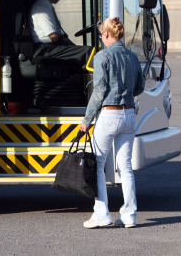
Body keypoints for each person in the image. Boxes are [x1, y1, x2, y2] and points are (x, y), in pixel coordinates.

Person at [79, 17, 145, 229]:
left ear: (107, 34)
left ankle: (102, 214)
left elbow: (99, 91)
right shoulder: (132, 57)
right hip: (128, 114)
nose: (101, 37)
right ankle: (129, 216)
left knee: (98, 165)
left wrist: (87, 120)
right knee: (125, 166)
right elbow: (140, 87)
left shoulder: (102, 56)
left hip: (109, 114)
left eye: (101, 34)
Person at [29, 0, 93, 68]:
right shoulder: (42, 8)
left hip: (54, 48)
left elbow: (59, 35)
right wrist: (66, 41)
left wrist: (75, 47)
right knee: (89, 51)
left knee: (86, 51)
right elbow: (54, 37)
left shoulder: (48, 7)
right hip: (48, 50)